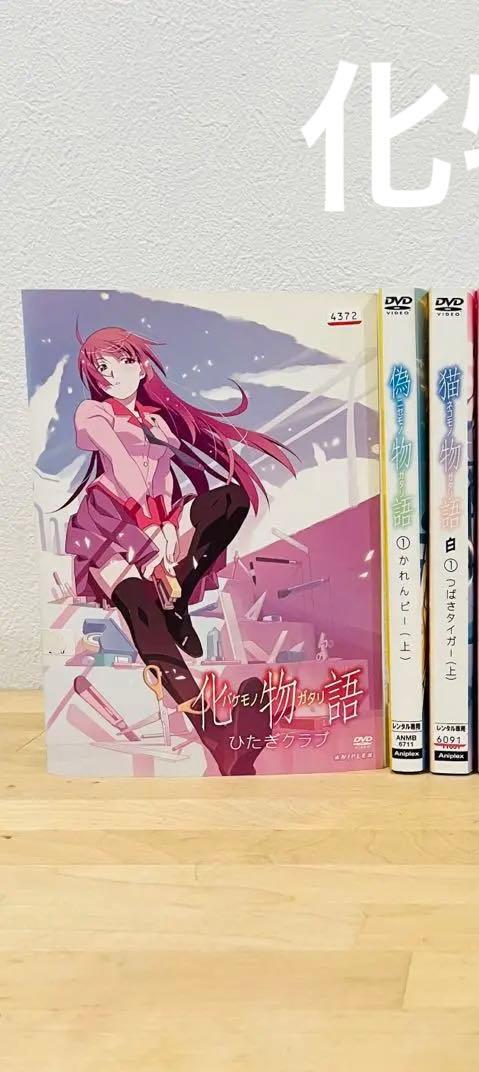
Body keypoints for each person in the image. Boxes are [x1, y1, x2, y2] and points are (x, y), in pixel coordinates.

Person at [63, 325, 295, 774]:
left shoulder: (156, 422)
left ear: (142, 367)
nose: (110, 372)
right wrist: (151, 527)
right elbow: (122, 463)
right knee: (141, 612)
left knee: (230, 501)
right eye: (101, 366)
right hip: (111, 522)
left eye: (122, 361)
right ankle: (215, 736)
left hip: (158, 516)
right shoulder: (93, 413)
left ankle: (179, 597)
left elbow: (162, 477)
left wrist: (167, 527)